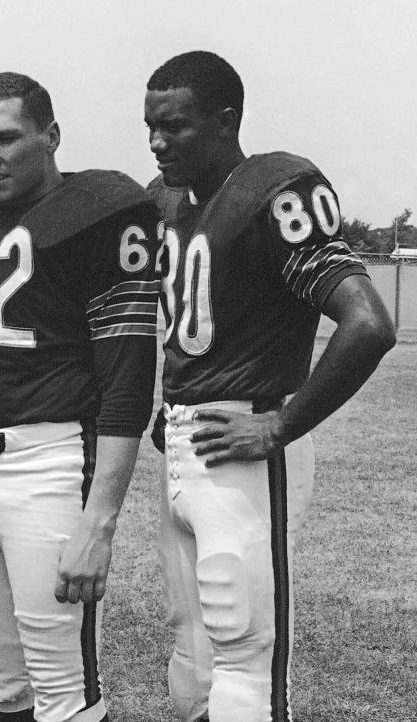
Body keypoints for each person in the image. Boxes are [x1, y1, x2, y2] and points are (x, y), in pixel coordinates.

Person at [143, 51, 397, 722]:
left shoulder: (275, 187)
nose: (158, 142)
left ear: (227, 122)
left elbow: (368, 323)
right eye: (150, 126)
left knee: (245, 665)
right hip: (183, 445)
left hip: (246, 444)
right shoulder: (165, 202)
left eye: (175, 126)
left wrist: (281, 425)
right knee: (192, 665)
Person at [0, 72, 160, 722]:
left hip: (51, 463)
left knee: (64, 689)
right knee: (2, 682)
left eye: (5, 137)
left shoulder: (104, 209)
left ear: (50, 135)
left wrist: (100, 522)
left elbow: (127, 379)